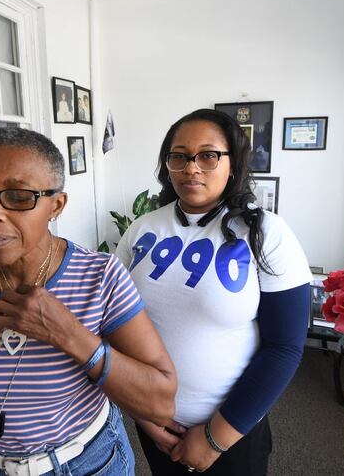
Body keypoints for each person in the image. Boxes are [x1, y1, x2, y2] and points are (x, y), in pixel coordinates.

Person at [0, 127, 177, 475]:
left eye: (18, 197)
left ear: (56, 205)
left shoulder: (99, 276)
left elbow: (161, 402)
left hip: (86, 464)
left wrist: (71, 336)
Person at [115, 109, 312, 475]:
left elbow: (284, 348)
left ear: (233, 164)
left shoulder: (267, 233)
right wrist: (144, 414)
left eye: (208, 155)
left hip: (233, 431)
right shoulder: (142, 229)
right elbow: (114, 323)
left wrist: (214, 438)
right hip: (154, 423)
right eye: (179, 156)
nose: (191, 168)